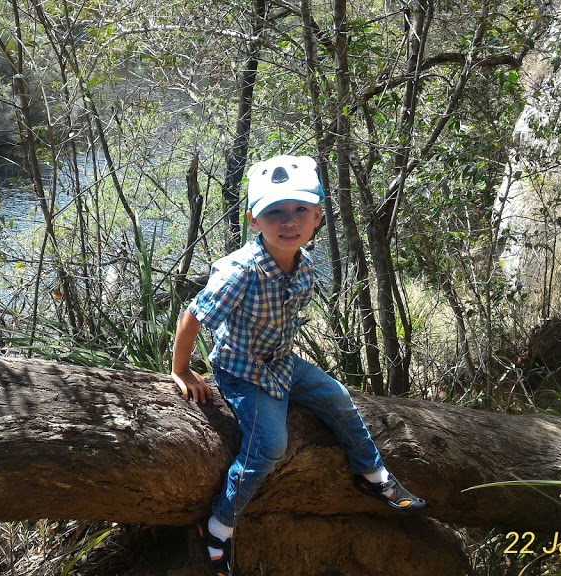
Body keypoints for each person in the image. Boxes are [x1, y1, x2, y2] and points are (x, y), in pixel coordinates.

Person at [170, 154, 426, 576]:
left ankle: (371, 472)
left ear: (318, 217)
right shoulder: (240, 272)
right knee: (269, 446)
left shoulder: (304, 266)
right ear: (255, 220)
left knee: (339, 398)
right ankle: (218, 524)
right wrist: (182, 369)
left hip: (283, 362)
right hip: (242, 369)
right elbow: (193, 316)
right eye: (275, 212)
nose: (288, 221)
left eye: (299, 210)